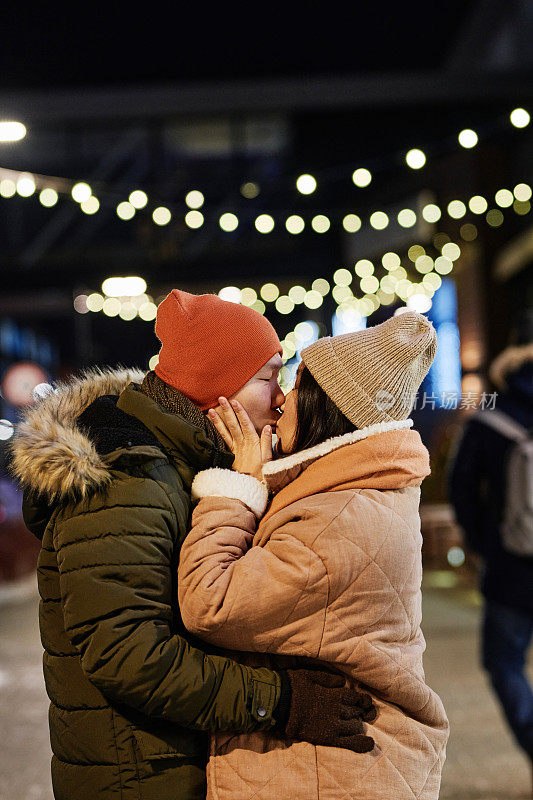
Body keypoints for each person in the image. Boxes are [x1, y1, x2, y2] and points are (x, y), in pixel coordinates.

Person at [10, 290, 375, 800]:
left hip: (165, 760)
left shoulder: (182, 463)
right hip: (138, 776)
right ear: (215, 387)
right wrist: (281, 701)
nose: (281, 397)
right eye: (269, 376)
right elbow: (128, 653)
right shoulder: (127, 476)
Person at [178, 311, 450, 800]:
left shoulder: (335, 515)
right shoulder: (350, 492)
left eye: (297, 382)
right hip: (342, 767)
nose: (281, 400)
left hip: (328, 773)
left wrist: (235, 489)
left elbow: (209, 601)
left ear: (327, 407)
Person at [449, 329, 533, 779]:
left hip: (511, 568)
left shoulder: (490, 420)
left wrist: (485, 544)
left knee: (504, 663)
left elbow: (461, 489)